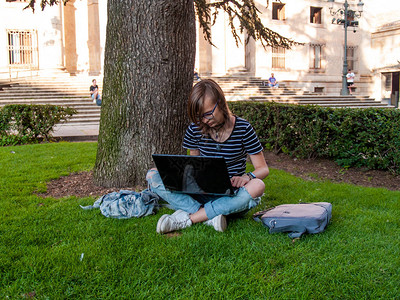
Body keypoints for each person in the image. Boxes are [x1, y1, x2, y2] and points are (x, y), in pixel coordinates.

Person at [147, 79, 269, 234]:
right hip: (202, 193)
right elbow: (194, 164)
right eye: (199, 117)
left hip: (232, 195)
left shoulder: (243, 128)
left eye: (208, 114)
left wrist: (247, 176)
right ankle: (209, 215)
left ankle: (189, 218)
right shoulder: (195, 129)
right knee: (153, 175)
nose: (205, 121)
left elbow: (263, 169)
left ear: (221, 102)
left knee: (258, 185)